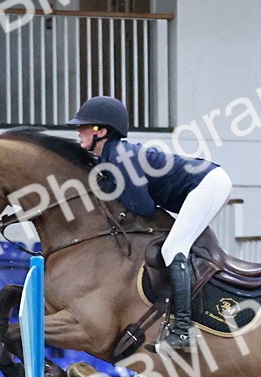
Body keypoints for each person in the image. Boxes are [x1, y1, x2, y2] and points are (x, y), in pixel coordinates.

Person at [68, 96, 232, 353]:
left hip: (208, 183)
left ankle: (183, 331)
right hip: (203, 183)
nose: (78, 131)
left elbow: (143, 207)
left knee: (173, 248)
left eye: (84, 126)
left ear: (102, 131)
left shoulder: (120, 158)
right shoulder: (110, 159)